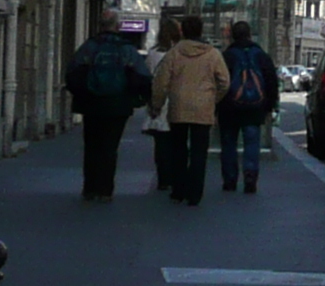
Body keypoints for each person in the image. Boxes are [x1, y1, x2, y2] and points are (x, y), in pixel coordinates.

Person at [153, 13, 230, 206]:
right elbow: (225, 82)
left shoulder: (174, 53)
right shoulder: (212, 54)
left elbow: (161, 82)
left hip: (178, 106)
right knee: (199, 151)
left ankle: (178, 190)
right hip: (203, 107)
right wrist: (213, 98)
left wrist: (157, 105)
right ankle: (195, 193)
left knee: (178, 150)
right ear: (201, 31)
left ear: (183, 31)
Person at [64, 21, 147, 200]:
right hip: (118, 106)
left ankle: (90, 188)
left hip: (91, 104)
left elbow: (72, 73)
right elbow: (143, 76)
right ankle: (105, 190)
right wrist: (139, 99)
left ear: (101, 27)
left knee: (91, 146)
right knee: (110, 147)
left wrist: (81, 95)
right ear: (117, 27)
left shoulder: (89, 47)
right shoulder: (127, 49)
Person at [216, 19, 276, 196]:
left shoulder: (227, 56)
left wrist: (217, 106)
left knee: (228, 144)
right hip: (254, 108)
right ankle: (250, 178)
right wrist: (269, 106)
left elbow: (220, 82)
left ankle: (229, 180)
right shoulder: (261, 54)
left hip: (230, 108)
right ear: (250, 34)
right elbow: (271, 82)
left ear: (232, 36)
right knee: (252, 142)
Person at [139, 17, 176, 194]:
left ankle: (163, 178)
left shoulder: (153, 54)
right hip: (176, 101)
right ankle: (174, 176)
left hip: (157, 102)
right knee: (176, 142)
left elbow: (147, 77)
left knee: (160, 144)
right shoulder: (178, 54)